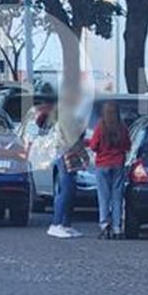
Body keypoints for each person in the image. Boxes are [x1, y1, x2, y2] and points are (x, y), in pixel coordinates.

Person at [87, 101, 130, 239]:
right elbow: (128, 145)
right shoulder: (122, 127)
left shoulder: (101, 127)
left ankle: (105, 225)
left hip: (103, 164)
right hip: (118, 163)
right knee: (117, 197)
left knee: (103, 197)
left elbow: (94, 146)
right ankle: (117, 228)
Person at [47, 88, 85, 240]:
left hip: (68, 154)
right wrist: (83, 154)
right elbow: (72, 139)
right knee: (67, 189)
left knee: (70, 189)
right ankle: (57, 224)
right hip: (65, 155)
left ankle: (66, 224)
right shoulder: (66, 117)